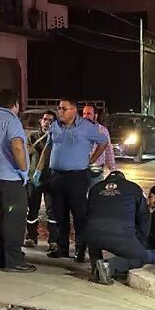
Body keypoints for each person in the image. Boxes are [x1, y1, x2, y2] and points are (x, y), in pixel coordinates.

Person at [35, 97, 108, 262]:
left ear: (74, 110)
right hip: (57, 176)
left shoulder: (87, 128)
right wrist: (39, 170)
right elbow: (48, 148)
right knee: (60, 214)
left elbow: (103, 142)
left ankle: (80, 250)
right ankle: (62, 248)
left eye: (64, 108)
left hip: (77, 177)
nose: (59, 111)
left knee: (79, 215)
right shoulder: (55, 126)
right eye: (59, 108)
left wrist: (91, 160)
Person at [0, 89, 34, 273]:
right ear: (15, 104)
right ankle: (14, 261)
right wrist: (24, 170)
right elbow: (18, 147)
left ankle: (0, 258)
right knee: (14, 221)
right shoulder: (12, 120)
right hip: (12, 180)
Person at [84, 169, 150, 285]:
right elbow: (144, 217)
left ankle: (96, 266)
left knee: (93, 229)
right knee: (140, 257)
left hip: (95, 235)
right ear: (123, 179)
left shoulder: (95, 188)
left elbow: (88, 215)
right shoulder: (134, 188)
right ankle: (108, 265)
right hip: (120, 235)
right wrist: (142, 243)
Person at [25, 110, 58, 249]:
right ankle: (31, 236)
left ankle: (53, 240)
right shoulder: (33, 136)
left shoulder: (57, 138)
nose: (47, 122)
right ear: (40, 121)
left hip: (51, 178)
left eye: (50, 120)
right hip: (34, 178)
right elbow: (26, 153)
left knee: (52, 211)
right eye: (45, 119)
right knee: (33, 209)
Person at [82, 104, 116, 187]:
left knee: (95, 196)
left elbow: (108, 151)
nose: (85, 116)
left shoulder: (102, 131)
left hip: (96, 173)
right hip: (81, 173)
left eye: (89, 113)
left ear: (95, 116)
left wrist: (113, 170)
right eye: (84, 113)